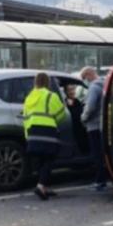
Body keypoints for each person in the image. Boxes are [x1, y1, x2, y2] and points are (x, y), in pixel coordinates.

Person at [23, 72, 66, 200]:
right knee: (50, 158)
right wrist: (54, 120)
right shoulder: (50, 96)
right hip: (48, 131)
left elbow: (25, 117)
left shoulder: (29, 97)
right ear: (47, 82)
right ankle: (41, 186)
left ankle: (43, 186)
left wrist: (27, 135)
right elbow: (61, 113)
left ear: (35, 82)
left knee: (41, 159)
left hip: (32, 131)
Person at [80, 66, 107, 190]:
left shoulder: (94, 87)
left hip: (94, 125)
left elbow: (90, 107)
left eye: (84, 78)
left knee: (96, 155)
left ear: (89, 75)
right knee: (102, 154)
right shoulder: (104, 84)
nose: (85, 81)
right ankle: (104, 179)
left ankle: (99, 182)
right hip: (103, 124)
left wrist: (83, 118)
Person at [65, 84, 89, 154]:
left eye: (73, 89)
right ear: (66, 92)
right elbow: (74, 115)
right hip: (72, 129)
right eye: (69, 90)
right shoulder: (66, 103)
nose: (72, 92)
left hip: (80, 128)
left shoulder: (77, 101)